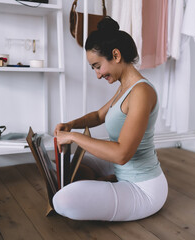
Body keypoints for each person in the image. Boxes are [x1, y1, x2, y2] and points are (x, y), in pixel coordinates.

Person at [53, 16, 168, 221]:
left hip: (143, 189)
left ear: (115, 55)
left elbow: (122, 154)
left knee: (62, 201)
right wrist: (71, 125)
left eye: (98, 66)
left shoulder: (141, 92)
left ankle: (103, 184)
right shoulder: (125, 88)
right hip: (122, 172)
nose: (97, 74)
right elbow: (98, 116)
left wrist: (73, 137)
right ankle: (104, 182)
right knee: (66, 162)